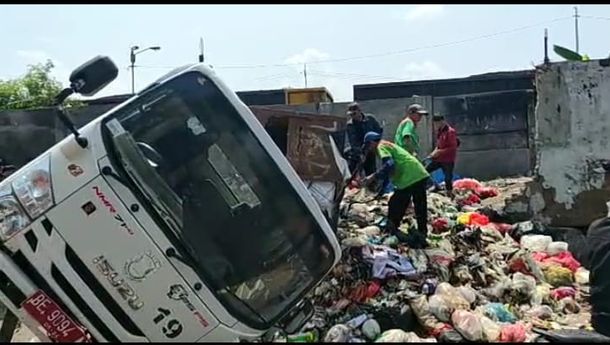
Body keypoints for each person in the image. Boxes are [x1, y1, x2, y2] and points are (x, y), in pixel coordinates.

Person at [361, 131, 430, 248]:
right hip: (419, 173)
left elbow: (389, 165)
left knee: (395, 203)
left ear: (372, 143)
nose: (369, 150)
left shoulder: (381, 146)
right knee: (420, 205)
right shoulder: (387, 145)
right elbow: (390, 171)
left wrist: (373, 176)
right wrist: (381, 191)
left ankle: (392, 229)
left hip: (409, 177)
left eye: (368, 146)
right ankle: (422, 233)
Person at [345, 102, 383, 176]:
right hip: (358, 153)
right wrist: (361, 153)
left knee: (371, 173)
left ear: (359, 111)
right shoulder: (350, 125)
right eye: (351, 115)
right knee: (353, 174)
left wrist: (375, 145)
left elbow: (379, 131)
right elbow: (353, 142)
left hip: (371, 151)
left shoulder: (370, 119)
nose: (353, 116)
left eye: (354, 114)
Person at [425, 114, 459, 198]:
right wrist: (434, 152)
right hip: (438, 159)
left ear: (442, 121)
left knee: (448, 178)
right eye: (435, 124)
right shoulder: (440, 131)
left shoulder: (450, 132)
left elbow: (453, 148)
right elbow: (439, 145)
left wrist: (439, 152)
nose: (436, 125)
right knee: (425, 171)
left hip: (448, 159)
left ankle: (450, 195)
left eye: (437, 123)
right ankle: (436, 186)